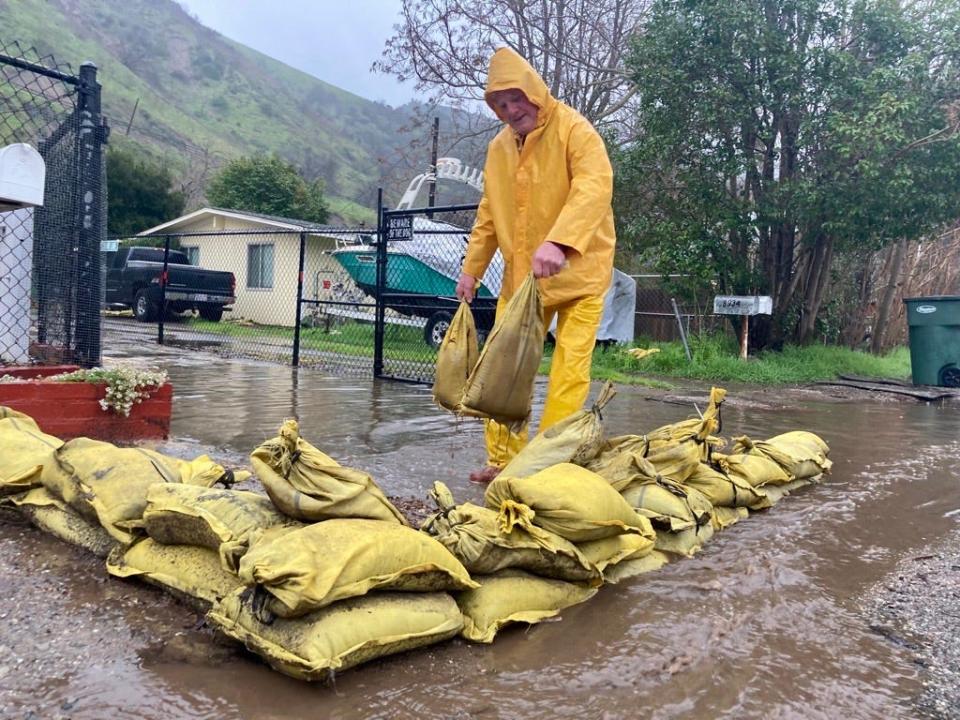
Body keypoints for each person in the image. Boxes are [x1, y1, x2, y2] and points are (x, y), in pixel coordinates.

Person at [455, 47, 616, 483]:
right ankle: (503, 460)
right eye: (500, 105)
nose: (510, 111)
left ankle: (546, 463)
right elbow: (489, 211)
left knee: (568, 370)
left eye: (516, 100)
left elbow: (594, 187)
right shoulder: (498, 148)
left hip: (581, 274)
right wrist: (472, 269)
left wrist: (560, 243)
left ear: (534, 93)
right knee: (505, 368)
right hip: (521, 278)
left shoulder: (575, 130)